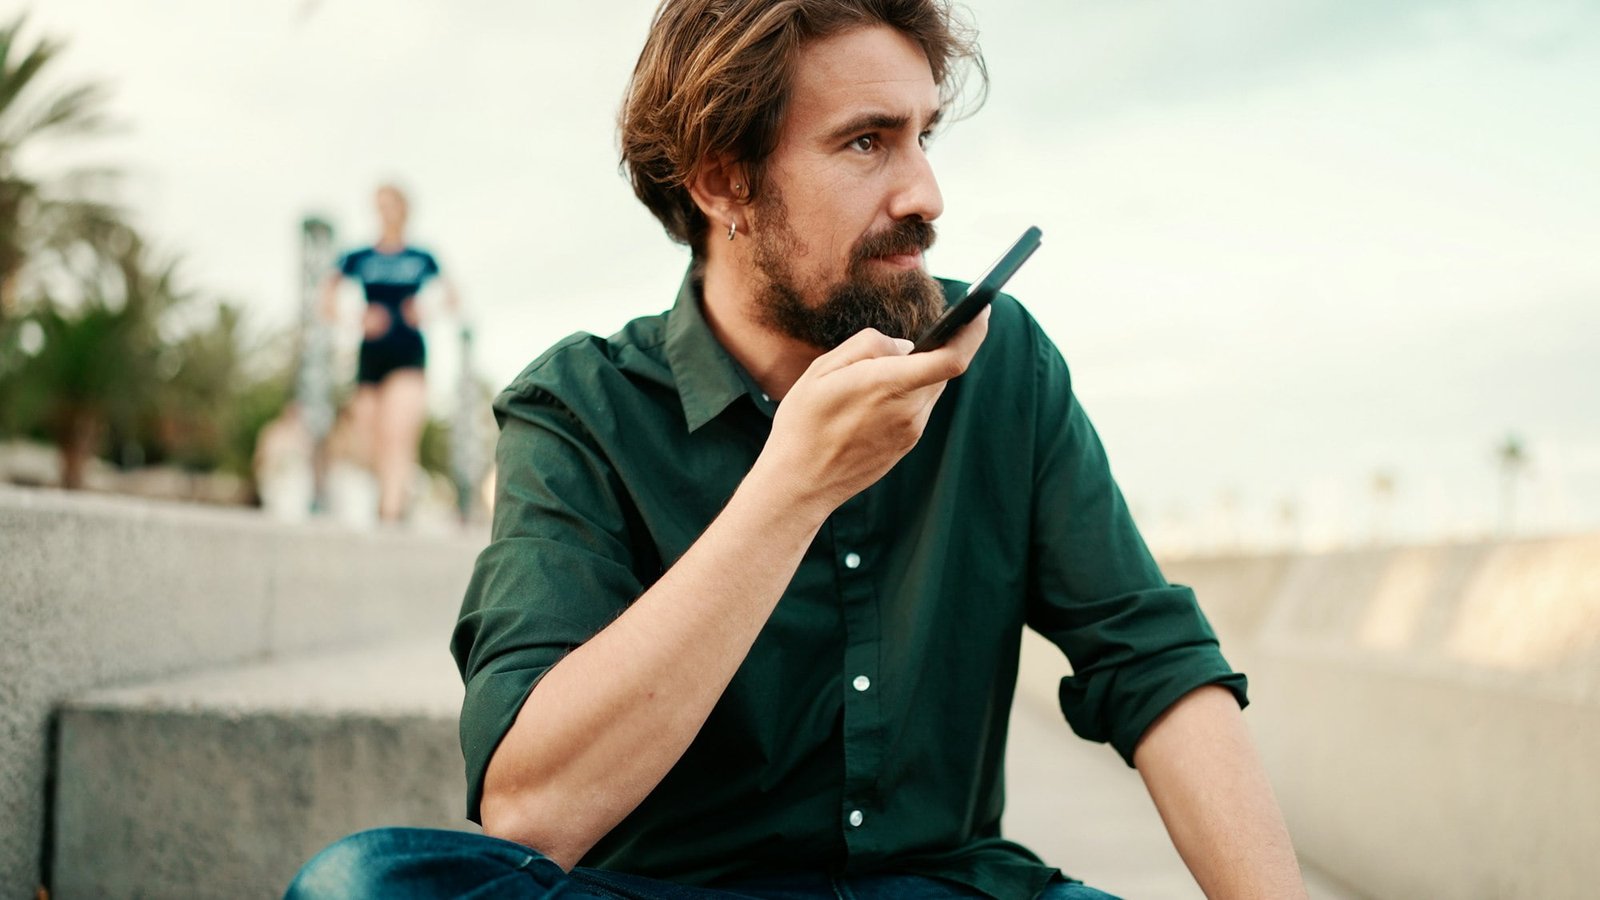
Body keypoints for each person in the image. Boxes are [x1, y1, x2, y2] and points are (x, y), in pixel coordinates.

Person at [288, 1, 1308, 898]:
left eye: (922, 135)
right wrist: (790, 490)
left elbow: (1153, 666)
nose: (925, 194)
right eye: (866, 143)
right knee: (361, 888)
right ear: (724, 182)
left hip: (948, 890)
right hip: (671, 894)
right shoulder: (580, 410)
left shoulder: (1000, 368)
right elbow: (532, 809)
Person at [320, 184, 459, 523]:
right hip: (370, 354)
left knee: (398, 433)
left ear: (404, 209)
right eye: (379, 205)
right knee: (369, 435)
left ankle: (391, 512)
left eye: (391, 204)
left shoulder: (421, 257)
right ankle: (391, 495)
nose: (385, 211)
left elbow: (452, 298)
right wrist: (355, 318)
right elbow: (325, 298)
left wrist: (424, 310)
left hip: (408, 354)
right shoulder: (359, 257)